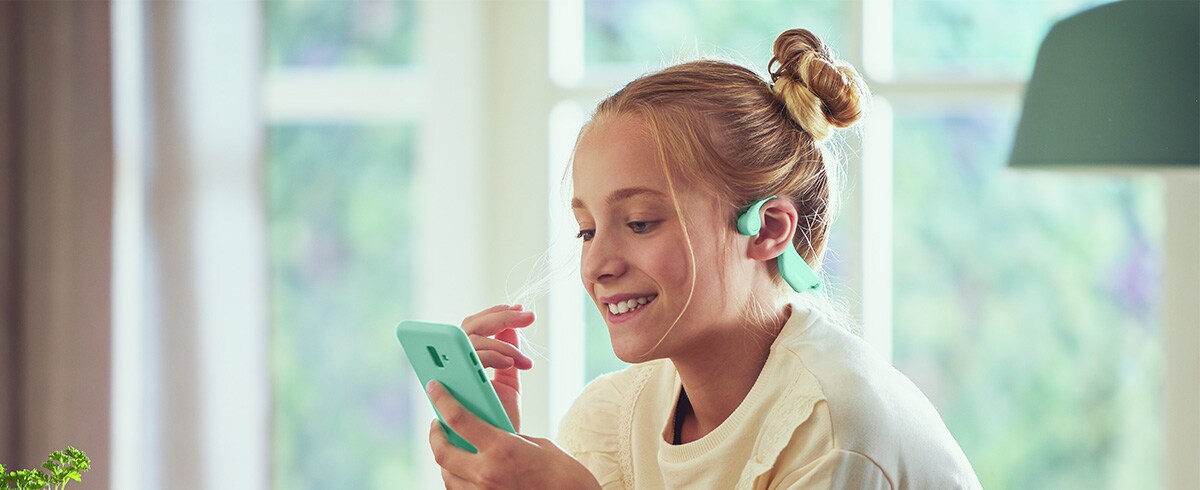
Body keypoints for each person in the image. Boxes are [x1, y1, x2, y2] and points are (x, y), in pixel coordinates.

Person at [424, 28, 982, 489]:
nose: (597, 265)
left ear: (766, 230)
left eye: (639, 223)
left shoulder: (831, 429)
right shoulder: (612, 420)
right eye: (587, 231)